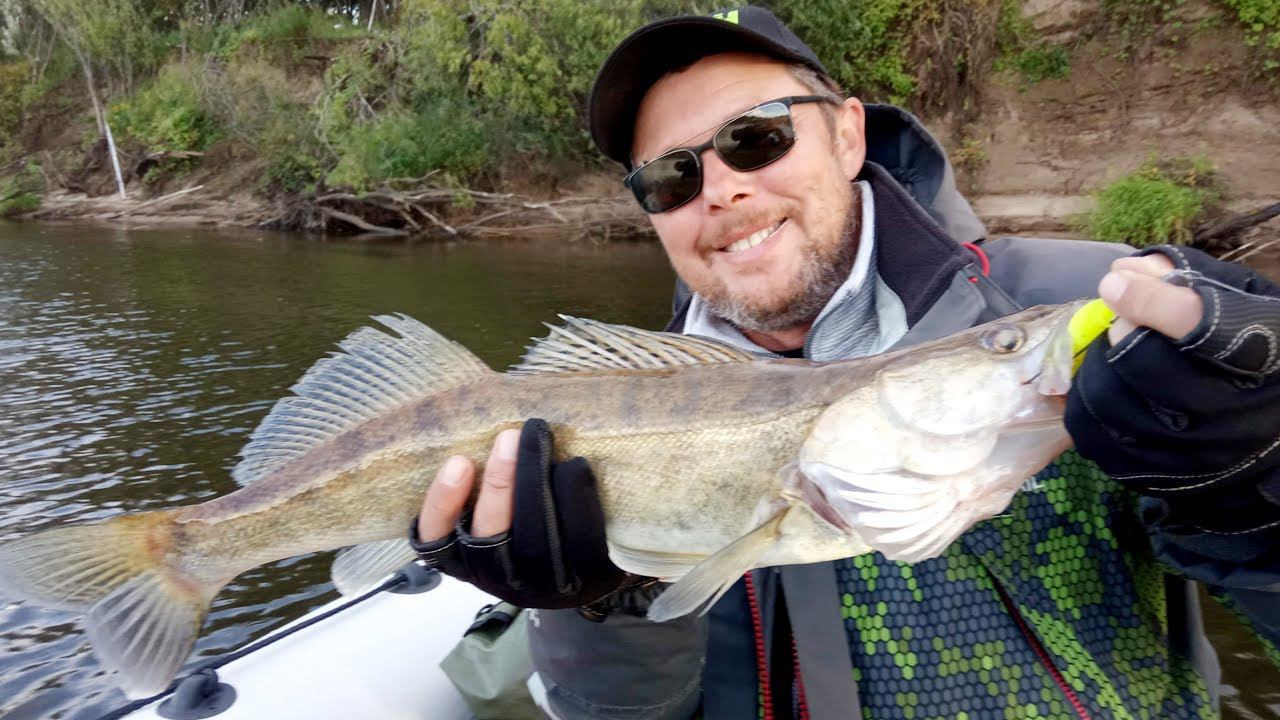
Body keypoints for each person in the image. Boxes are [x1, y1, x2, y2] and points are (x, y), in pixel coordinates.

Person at [411, 7, 1280, 718]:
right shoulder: (608, 412)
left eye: (757, 137)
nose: (721, 188)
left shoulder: (1095, 310)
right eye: (671, 178)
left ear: (849, 135)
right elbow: (622, 715)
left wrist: (1251, 476)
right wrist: (600, 603)